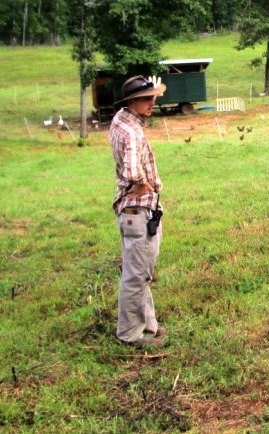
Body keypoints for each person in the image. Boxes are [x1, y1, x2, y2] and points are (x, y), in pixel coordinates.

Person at [109, 75, 168, 348]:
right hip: (139, 211)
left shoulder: (121, 120)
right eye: (147, 99)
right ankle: (130, 334)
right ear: (132, 101)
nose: (153, 103)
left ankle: (149, 325)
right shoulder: (132, 131)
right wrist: (145, 185)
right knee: (136, 275)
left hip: (130, 211)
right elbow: (132, 170)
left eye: (153, 97)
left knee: (139, 270)